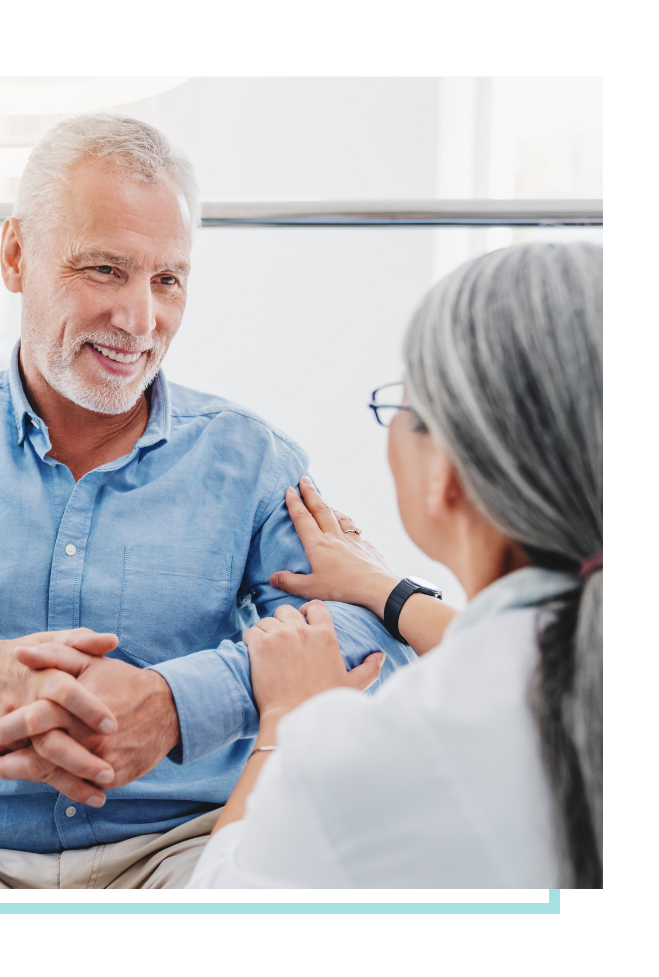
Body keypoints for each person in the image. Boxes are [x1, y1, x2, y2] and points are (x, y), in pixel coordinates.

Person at [0, 113, 449, 890]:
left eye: (166, 279)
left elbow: (363, 630)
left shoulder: (249, 457)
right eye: (104, 269)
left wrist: (178, 702)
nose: (140, 321)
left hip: (186, 847)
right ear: (16, 255)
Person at [186, 241, 604, 889]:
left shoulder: (364, 757)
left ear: (446, 471)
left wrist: (287, 722)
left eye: (403, 405)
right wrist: (386, 590)